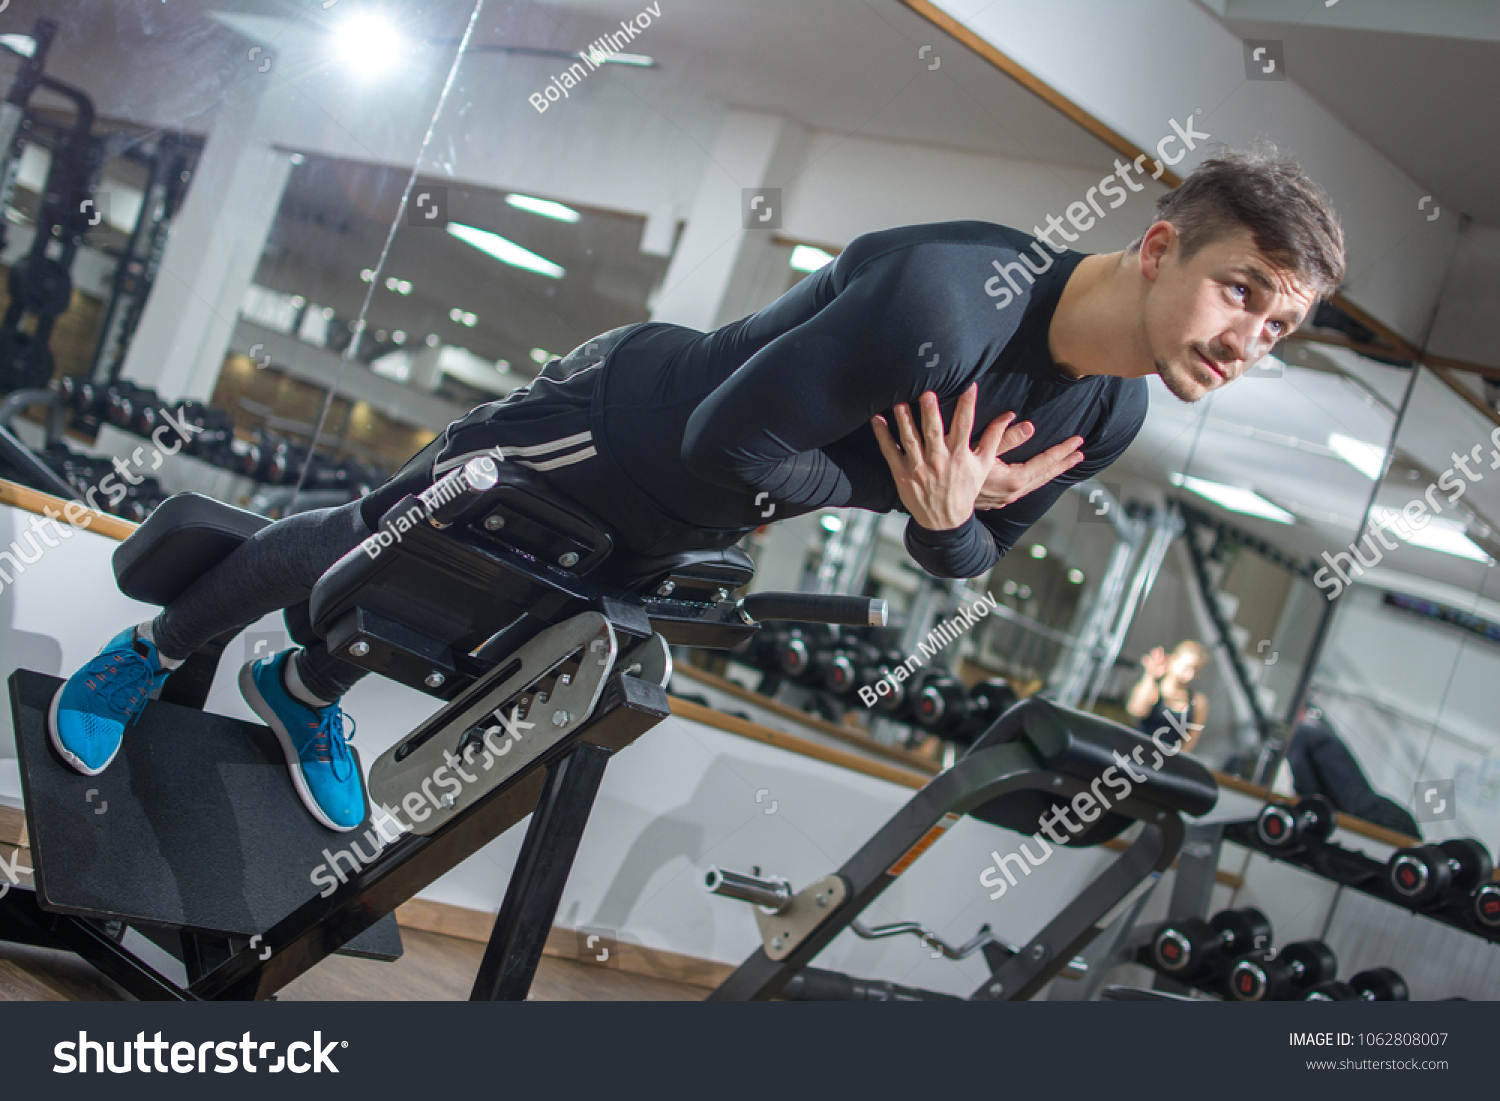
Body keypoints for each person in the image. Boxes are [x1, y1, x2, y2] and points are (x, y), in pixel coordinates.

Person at [47, 145, 1344, 831]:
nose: (1246, 341)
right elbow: (730, 438)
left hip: (708, 513)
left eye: (1278, 327)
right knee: (387, 539)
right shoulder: (948, 299)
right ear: (1161, 242)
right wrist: (907, 501)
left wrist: (938, 519)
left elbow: (971, 556)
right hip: (619, 424)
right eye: (1242, 291)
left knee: (473, 614)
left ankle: (302, 685)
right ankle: (151, 650)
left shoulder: (1109, 411)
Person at [1285, 703, 1421, 838]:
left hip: (1371, 816)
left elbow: (1306, 787)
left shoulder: (1300, 733)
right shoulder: (1322, 733)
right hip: (1386, 812)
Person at [1125, 640, 1210, 753]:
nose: (1190, 675)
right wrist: (1150, 675)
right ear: (1173, 660)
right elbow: (1136, 711)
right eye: (1187, 667)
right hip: (1137, 752)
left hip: (1165, 761)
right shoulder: (1153, 687)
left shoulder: (1198, 701)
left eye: (1196, 670)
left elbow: (1189, 742)